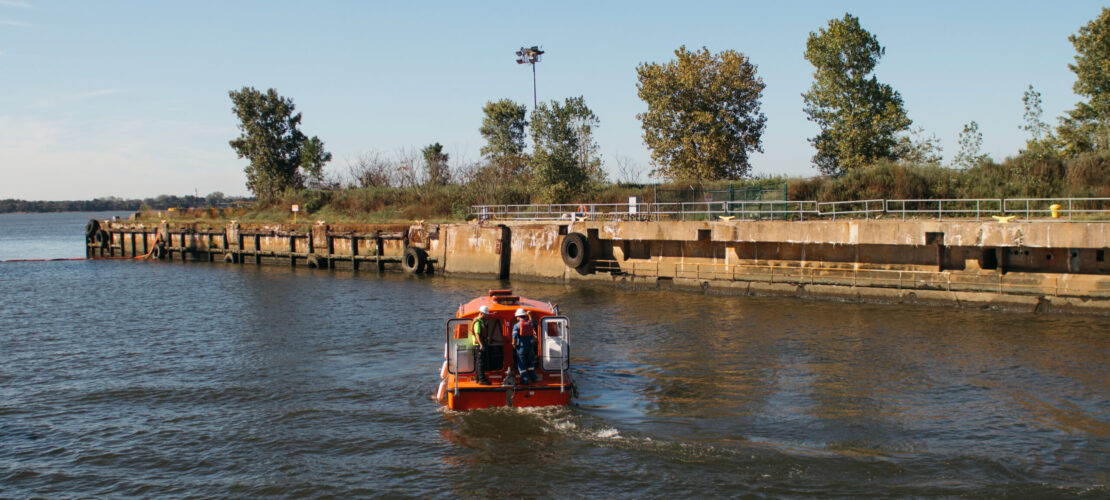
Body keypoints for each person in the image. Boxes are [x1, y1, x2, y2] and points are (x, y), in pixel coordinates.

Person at [511, 308, 537, 384]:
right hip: (529, 347)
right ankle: (534, 378)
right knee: (530, 363)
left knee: (521, 364)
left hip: (521, 348)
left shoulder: (516, 325)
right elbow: (532, 323)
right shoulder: (529, 323)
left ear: (518, 316)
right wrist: (529, 315)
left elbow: (514, 337)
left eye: (517, 316)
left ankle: (525, 380)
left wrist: (514, 345)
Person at [470, 305, 491, 385]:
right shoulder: (478, 323)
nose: (486, 316)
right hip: (479, 345)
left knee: (479, 362)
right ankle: (482, 379)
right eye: (485, 314)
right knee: (480, 362)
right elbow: (477, 334)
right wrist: (481, 344)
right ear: (481, 313)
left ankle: (478, 378)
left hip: (480, 344)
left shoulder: (481, 321)